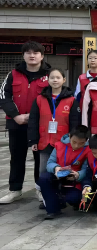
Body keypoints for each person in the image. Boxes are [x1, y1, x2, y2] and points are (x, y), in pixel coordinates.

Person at [0, 41, 51, 204]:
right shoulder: (13, 74)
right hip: (17, 123)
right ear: (23, 55)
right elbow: (4, 96)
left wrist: (35, 116)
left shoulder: (50, 75)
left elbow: (54, 98)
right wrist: (15, 115)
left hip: (40, 125)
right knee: (16, 157)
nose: (32, 55)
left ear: (42, 56)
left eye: (35, 52)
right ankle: (15, 190)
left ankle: (41, 189)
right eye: (28, 52)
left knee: (41, 158)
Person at [28, 69, 81, 184]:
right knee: (43, 169)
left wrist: (73, 140)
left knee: (63, 170)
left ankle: (61, 192)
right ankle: (42, 191)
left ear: (64, 80)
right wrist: (33, 140)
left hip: (64, 142)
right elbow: (33, 121)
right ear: (48, 80)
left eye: (58, 77)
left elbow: (75, 123)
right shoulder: (39, 99)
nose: (55, 80)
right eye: (52, 78)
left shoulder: (71, 100)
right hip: (44, 142)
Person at [39, 125, 90, 219]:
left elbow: (86, 169)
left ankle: (60, 201)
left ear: (86, 141)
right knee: (43, 178)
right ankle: (53, 210)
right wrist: (56, 168)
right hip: (58, 177)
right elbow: (50, 163)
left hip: (74, 182)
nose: (76, 145)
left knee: (74, 198)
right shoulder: (59, 145)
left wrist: (78, 175)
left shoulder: (88, 150)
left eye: (81, 143)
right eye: (74, 142)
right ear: (70, 136)